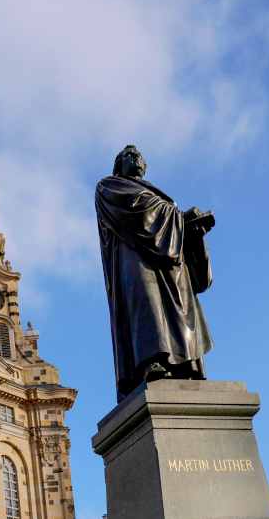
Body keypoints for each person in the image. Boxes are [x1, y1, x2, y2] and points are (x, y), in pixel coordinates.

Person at [95, 145, 216, 402]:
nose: (136, 158)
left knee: (179, 312)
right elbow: (137, 210)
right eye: (129, 155)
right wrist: (180, 218)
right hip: (136, 258)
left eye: (139, 156)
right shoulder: (109, 187)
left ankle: (186, 364)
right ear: (119, 165)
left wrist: (191, 229)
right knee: (146, 307)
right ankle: (151, 362)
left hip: (170, 265)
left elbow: (164, 218)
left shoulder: (157, 195)